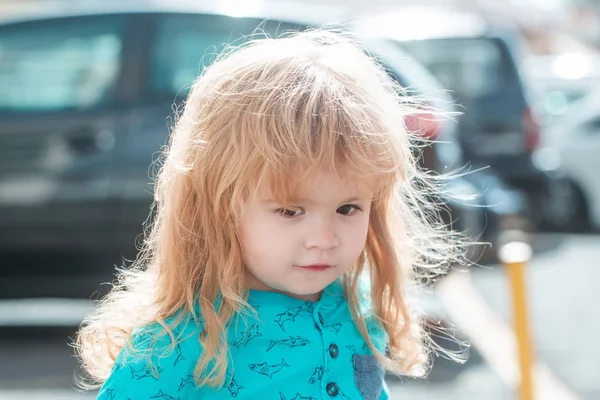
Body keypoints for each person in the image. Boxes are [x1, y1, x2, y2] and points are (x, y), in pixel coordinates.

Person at [75, 29, 466, 400]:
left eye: (348, 208)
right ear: (218, 207)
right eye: (291, 210)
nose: (325, 238)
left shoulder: (357, 309)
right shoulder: (173, 344)